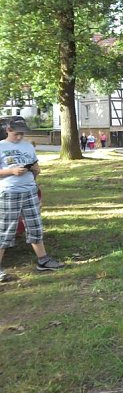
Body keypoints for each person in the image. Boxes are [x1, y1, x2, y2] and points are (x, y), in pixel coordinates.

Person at [0, 118, 64, 282]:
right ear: (8, 129)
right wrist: (11, 171)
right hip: (9, 192)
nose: (19, 137)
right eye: (16, 133)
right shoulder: (1, 146)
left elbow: (36, 168)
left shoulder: (28, 146)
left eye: (22, 133)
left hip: (30, 190)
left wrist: (36, 171)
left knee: (35, 227)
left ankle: (43, 261)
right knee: (6, 230)